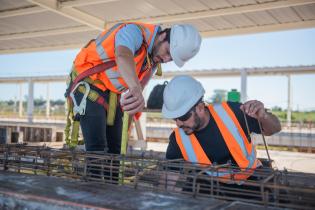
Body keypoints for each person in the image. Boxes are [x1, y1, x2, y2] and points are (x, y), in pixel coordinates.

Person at [65, 23, 202, 155]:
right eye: (167, 52)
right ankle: (94, 178)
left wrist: (131, 112)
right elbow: (123, 55)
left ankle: (111, 179)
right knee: (97, 148)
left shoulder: (152, 61)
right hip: (89, 84)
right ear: (162, 35)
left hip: (112, 94)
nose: (165, 59)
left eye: (171, 58)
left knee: (116, 149)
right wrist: (135, 89)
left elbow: (138, 90)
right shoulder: (133, 32)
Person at [162, 75, 281, 184]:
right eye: (174, 118)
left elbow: (274, 129)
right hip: (212, 188)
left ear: (200, 107)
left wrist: (263, 116)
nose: (178, 123)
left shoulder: (233, 112)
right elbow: (169, 179)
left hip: (252, 180)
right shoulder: (178, 139)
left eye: (183, 116)